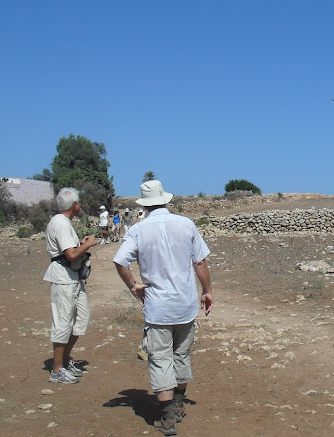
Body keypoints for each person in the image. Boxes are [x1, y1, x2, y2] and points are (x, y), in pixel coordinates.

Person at [113, 180, 213, 436]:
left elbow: (120, 261)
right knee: (181, 354)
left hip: (158, 308)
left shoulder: (138, 230)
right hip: (185, 305)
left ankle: (168, 417)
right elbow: (199, 261)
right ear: (165, 200)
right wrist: (207, 291)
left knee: (160, 359)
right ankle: (178, 405)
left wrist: (134, 286)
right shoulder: (186, 224)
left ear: (144, 205)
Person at [43, 187, 98, 384]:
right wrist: (89, 244)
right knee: (63, 321)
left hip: (72, 277)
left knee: (81, 318)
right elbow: (72, 254)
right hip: (63, 278)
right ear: (74, 204)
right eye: (78, 202)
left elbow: (71, 250)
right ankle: (57, 369)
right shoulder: (61, 223)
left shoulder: (63, 223)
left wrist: (80, 243)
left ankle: (65, 360)